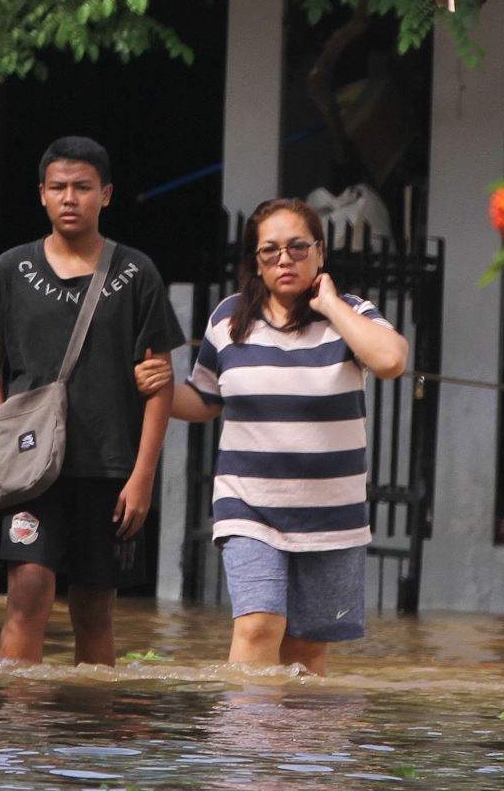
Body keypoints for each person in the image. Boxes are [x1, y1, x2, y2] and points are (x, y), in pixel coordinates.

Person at [134, 198, 408, 674]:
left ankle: (297, 747)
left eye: (298, 248)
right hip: (250, 505)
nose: (285, 260)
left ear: (320, 254)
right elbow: (204, 399)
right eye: (270, 251)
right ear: (255, 263)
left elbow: (391, 361)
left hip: (333, 514)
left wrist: (330, 306)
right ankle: (247, 745)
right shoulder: (228, 318)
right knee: (258, 626)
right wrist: (155, 387)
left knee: (306, 651)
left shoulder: (353, 314)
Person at [0, 136, 185, 665]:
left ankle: (92, 737)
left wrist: (143, 477)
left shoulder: (137, 274)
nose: (71, 198)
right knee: (28, 593)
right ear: (41, 194)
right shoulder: (9, 270)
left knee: (93, 608)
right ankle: (20, 734)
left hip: (111, 468)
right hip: (29, 464)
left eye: (83, 187)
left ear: (106, 195)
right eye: (59, 187)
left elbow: (161, 382)